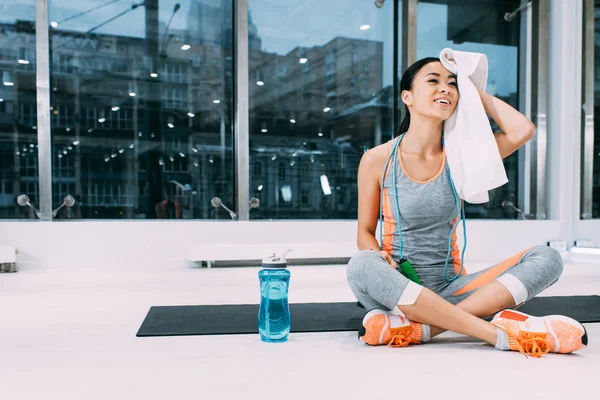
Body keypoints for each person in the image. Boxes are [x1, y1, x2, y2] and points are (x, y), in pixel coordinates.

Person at [346, 57, 587, 357]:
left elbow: (521, 130)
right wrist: (376, 255)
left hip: (454, 289)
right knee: (361, 264)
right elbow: (365, 231)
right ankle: (492, 333)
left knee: (548, 258)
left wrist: (472, 89)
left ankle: (424, 328)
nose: (445, 89)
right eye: (433, 80)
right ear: (407, 96)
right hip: (397, 288)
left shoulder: (464, 157)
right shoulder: (378, 160)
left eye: (452, 83)